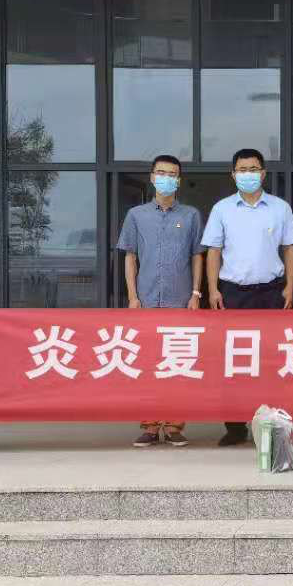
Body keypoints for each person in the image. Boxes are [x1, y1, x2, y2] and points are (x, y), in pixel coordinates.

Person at [201, 148, 293, 446]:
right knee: (234, 360)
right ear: (233, 174)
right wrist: (213, 289)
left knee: (272, 359)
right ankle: (235, 426)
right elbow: (213, 251)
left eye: (253, 169)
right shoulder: (222, 209)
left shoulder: (280, 208)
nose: (248, 174)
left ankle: (272, 425)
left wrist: (290, 287)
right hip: (233, 293)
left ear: (263, 173)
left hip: (271, 292)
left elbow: (290, 248)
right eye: (242, 169)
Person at [116, 154, 205, 449]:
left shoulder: (190, 215)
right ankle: (151, 426)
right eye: (161, 173)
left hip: (180, 301)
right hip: (146, 301)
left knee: (178, 365)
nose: (167, 178)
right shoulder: (136, 215)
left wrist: (195, 294)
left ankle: (175, 425)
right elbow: (130, 257)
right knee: (147, 365)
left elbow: (197, 256)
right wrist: (132, 297)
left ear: (179, 180)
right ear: (152, 177)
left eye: (172, 174)